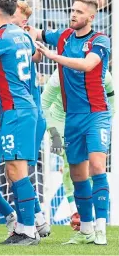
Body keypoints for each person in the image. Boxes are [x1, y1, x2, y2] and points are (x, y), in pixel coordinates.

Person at [35, 0, 111, 245]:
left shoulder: (99, 40)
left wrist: (54, 58)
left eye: (79, 11)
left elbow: (87, 65)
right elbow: (36, 32)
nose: (73, 14)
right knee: (77, 175)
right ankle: (86, 230)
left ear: (91, 17)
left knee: (97, 168)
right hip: (72, 119)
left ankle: (101, 228)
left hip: (96, 114)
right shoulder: (64, 35)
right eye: (72, 10)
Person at [0, 0, 42, 246]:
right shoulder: (23, 35)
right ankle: (26, 225)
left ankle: (29, 230)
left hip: (15, 109)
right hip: (24, 107)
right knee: (13, 169)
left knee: (16, 170)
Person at [42, 68, 115, 231]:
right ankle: (76, 212)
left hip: (92, 119)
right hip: (61, 119)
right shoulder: (58, 75)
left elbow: (112, 102)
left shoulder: (105, 75)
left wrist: (105, 126)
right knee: (72, 162)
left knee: (93, 166)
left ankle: (95, 218)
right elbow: (43, 104)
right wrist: (53, 133)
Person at [11, 0, 51, 238]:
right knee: (15, 171)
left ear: (24, 21)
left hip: (27, 116)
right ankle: (35, 219)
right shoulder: (22, 40)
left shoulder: (18, 39)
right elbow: (35, 57)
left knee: (18, 170)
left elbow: (35, 56)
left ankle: (32, 222)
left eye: (12, 14)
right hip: (27, 115)